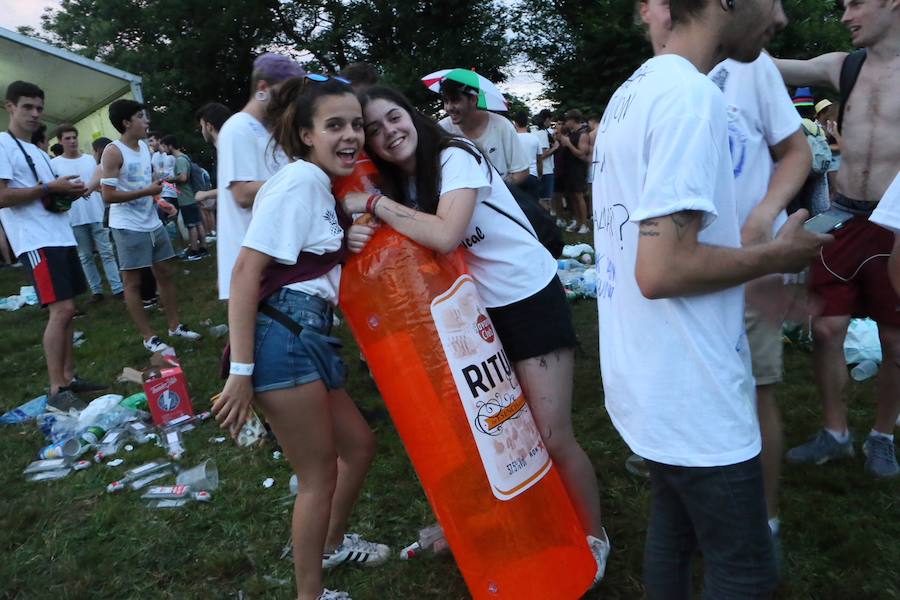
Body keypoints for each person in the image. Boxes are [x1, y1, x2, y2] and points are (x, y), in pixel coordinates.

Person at [592, 0, 832, 596]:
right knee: (747, 569)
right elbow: (663, 268)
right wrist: (775, 256)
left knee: (673, 536)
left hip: (651, 377)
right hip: (692, 388)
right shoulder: (691, 98)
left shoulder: (637, 89)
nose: (780, 19)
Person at [343, 85, 611, 585]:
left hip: (527, 299)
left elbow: (444, 234)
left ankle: (594, 538)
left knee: (550, 434)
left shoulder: (453, 156)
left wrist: (373, 203)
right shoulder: (407, 182)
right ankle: (519, 524)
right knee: (500, 434)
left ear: (413, 116)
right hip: (474, 314)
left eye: (394, 118)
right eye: (374, 130)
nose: (388, 133)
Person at [212, 75, 389, 600]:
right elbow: (246, 273)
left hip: (306, 337)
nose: (351, 135)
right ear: (307, 134)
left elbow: (307, 255)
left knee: (358, 447)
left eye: (356, 124)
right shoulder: (298, 182)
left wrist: (345, 239)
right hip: (282, 340)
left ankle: (330, 546)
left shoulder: (317, 186)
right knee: (316, 480)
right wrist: (241, 374)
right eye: (334, 125)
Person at [774, 0, 900, 478]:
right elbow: (770, 64)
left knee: (896, 341)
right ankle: (836, 433)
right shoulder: (843, 66)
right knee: (826, 330)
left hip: (894, 224)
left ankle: (883, 437)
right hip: (841, 214)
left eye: (856, 3)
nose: (846, 15)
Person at [0, 81, 105, 406]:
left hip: (59, 234)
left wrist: (69, 192)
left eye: (39, 108)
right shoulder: (3, 144)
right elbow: (3, 196)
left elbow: (48, 189)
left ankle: (70, 377)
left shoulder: (36, 150)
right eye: (27, 107)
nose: (34, 114)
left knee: (70, 311)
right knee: (62, 311)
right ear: (10, 107)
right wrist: (49, 188)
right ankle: (57, 388)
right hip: (35, 240)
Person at [100, 99, 201, 353]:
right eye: (141, 116)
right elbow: (107, 196)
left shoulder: (145, 148)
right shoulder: (113, 151)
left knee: (165, 273)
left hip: (152, 222)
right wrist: (147, 191)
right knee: (132, 283)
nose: (147, 121)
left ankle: (175, 325)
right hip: (127, 226)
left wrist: (160, 201)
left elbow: (151, 181)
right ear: (126, 122)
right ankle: (149, 337)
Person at [215, 52, 304, 301]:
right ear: (263, 88)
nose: (291, 101)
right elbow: (242, 193)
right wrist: (300, 182)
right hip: (250, 266)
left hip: (272, 260)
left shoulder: (269, 133)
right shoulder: (238, 127)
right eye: (286, 93)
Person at [51, 124, 123, 303]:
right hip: (73, 216)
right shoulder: (55, 164)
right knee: (85, 256)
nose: (72, 141)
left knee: (107, 251)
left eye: (74, 137)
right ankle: (96, 291)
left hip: (96, 212)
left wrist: (95, 189)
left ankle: (118, 288)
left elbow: (101, 183)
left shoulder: (90, 160)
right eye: (67, 138)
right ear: (60, 141)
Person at [437, 78, 529, 185]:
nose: (448, 107)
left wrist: (499, 193)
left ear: (473, 99)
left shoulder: (501, 125)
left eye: (455, 100)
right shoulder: (443, 129)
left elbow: (521, 171)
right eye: (446, 101)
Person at [159, 134, 209, 260]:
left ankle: (194, 251)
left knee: (191, 225)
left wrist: (169, 179)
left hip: (187, 198)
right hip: (192, 196)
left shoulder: (180, 160)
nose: (164, 150)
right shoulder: (185, 158)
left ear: (170, 146)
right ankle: (203, 248)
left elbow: (183, 177)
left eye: (165, 147)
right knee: (198, 223)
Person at [195, 101, 232, 237]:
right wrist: (216, 200)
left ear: (209, 127)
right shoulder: (222, 149)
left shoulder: (227, 149)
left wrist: (205, 194)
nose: (201, 131)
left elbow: (238, 188)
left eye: (202, 126)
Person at [556, 109, 592, 234]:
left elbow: (581, 154)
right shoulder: (571, 133)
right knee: (571, 196)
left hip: (578, 169)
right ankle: (577, 221)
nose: (566, 123)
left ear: (572, 120)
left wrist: (569, 144)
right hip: (568, 169)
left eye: (567, 120)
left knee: (579, 195)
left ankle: (584, 224)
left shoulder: (583, 134)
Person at [512, 111, 542, 198]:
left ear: (515, 123)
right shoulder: (535, 138)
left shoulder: (512, 138)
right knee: (533, 205)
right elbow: (539, 160)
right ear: (527, 123)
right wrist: (540, 174)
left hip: (516, 175)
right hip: (532, 175)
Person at [533, 109, 558, 211]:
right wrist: (555, 147)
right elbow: (542, 155)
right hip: (546, 170)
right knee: (545, 201)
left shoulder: (535, 132)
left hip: (540, 171)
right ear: (547, 119)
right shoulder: (542, 133)